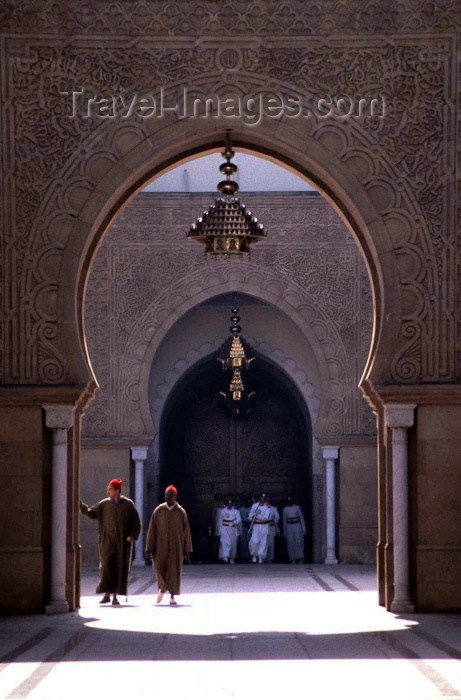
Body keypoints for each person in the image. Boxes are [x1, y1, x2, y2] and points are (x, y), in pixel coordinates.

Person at [80, 478, 141, 605]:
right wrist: (80, 505)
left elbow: (136, 522)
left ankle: (115, 597)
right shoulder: (104, 504)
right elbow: (91, 513)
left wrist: (132, 536)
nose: (108, 491)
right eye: (108, 489)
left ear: (117, 491)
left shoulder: (128, 505)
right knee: (106, 568)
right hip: (106, 543)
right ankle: (106, 595)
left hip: (122, 545)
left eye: (110, 489)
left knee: (119, 569)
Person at [145, 484, 192, 606]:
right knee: (159, 568)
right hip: (160, 546)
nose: (168, 497)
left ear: (175, 496)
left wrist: (187, 549)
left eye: (170, 495)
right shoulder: (159, 510)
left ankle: (172, 596)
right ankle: (162, 588)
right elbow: (152, 530)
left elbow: (186, 531)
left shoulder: (180, 512)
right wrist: (149, 547)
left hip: (176, 547)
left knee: (174, 571)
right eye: (166, 495)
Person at [248, 493, 273, 563]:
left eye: (264, 498)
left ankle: (260, 557)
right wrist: (253, 516)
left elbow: (266, 517)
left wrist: (257, 515)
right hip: (256, 526)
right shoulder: (254, 506)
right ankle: (254, 555)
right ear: (259, 498)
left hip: (264, 526)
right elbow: (249, 517)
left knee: (263, 542)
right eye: (261, 497)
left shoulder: (268, 507)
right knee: (254, 541)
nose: (263, 499)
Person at [216, 498, 241, 563]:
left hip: (232, 528)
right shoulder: (222, 511)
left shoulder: (236, 511)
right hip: (224, 528)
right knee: (225, 542)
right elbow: (220, 521)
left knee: (233, 543)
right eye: (228, 504)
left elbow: (239, 519)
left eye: (230, 504)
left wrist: (234, 522)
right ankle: (225, 557)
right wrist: (219, 530)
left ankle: (232, 557)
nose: (229, 505)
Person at [282, 496, 306, 563]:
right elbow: (284, 521)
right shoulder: (285, 509)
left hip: (297, 525)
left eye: (290, 500)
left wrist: (303, 528)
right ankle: (293, 559)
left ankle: (300, 558)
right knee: (290, 542)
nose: (289, 502)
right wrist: (285, 531)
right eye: (288, 501)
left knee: (299, 542)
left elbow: (301, 518)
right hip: (289, 526)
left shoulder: (297, 508)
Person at [264, 494, 280, 563]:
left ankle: (270, 559)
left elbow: (277, 517)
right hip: (262, 527)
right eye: (266, 499)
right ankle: (263, 558)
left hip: (270, 526)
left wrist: (277, 529)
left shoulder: (273, 508)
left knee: (271, 543)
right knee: (263, 543)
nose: (268, 501)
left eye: (269, 499)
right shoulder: (260, 508)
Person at [239, 498, 253, 562]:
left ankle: (251, 557)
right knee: (243, 543)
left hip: (250, 527)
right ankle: (244, 557)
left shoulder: (252, 509)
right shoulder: (241, 510)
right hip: (243, 527)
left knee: (251, 543)